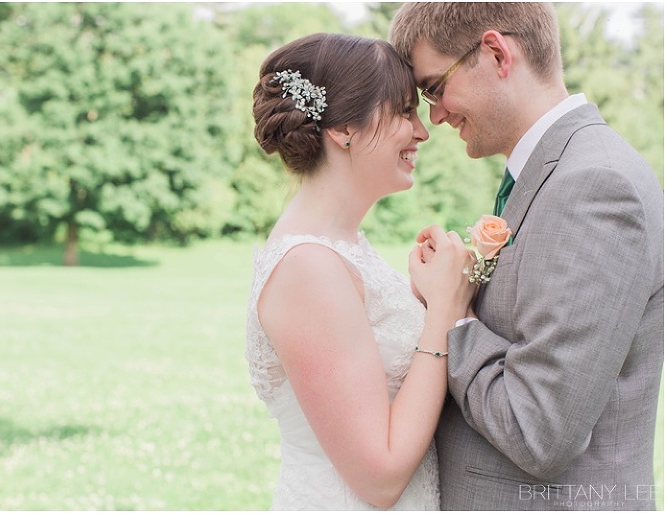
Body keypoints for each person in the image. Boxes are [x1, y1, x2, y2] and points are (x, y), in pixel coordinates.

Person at [389, 3, 664, 510]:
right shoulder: (553, 172)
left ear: (496, 53)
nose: (436, 115)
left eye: (434, 88)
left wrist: (454, 316)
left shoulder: (595, 187)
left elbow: (539, 429)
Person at [246, 32, 476, 509]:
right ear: (344, 129)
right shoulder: (307, 268)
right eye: (403, 111)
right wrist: (443, 312)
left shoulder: (342, 248)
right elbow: (380, 477)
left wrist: (426, 295)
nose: (423, 131)